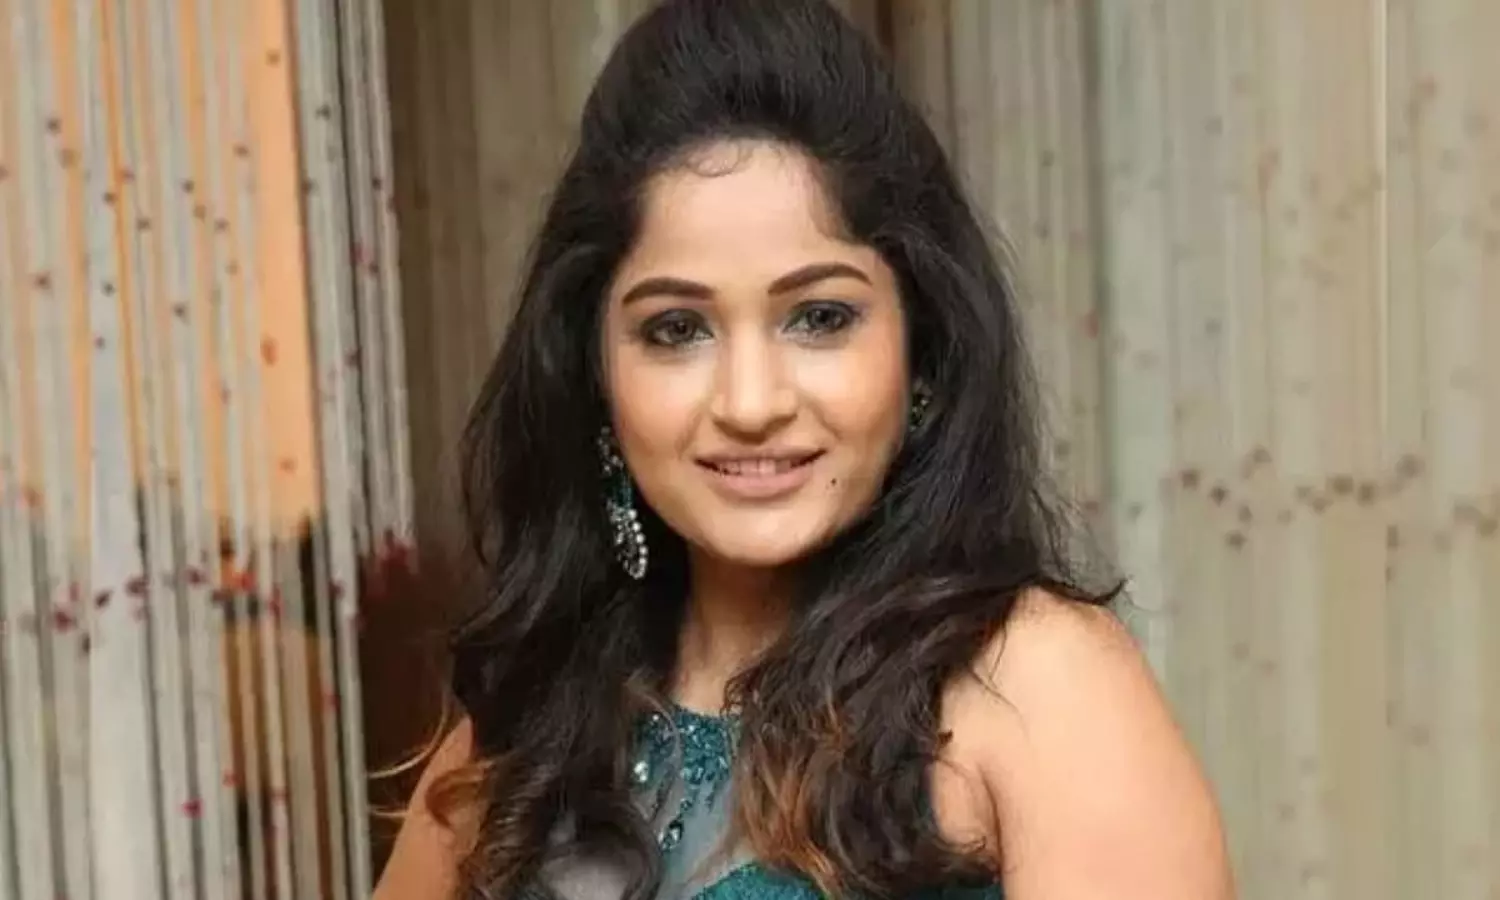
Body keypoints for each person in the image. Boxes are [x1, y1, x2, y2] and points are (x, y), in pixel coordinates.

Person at [376, 1, 1232, 898]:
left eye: (819, 318)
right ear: (596, 378)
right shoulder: (526, 736)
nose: (751, 404)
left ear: (922, 350)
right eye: (677, 329)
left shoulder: (1038, 687)